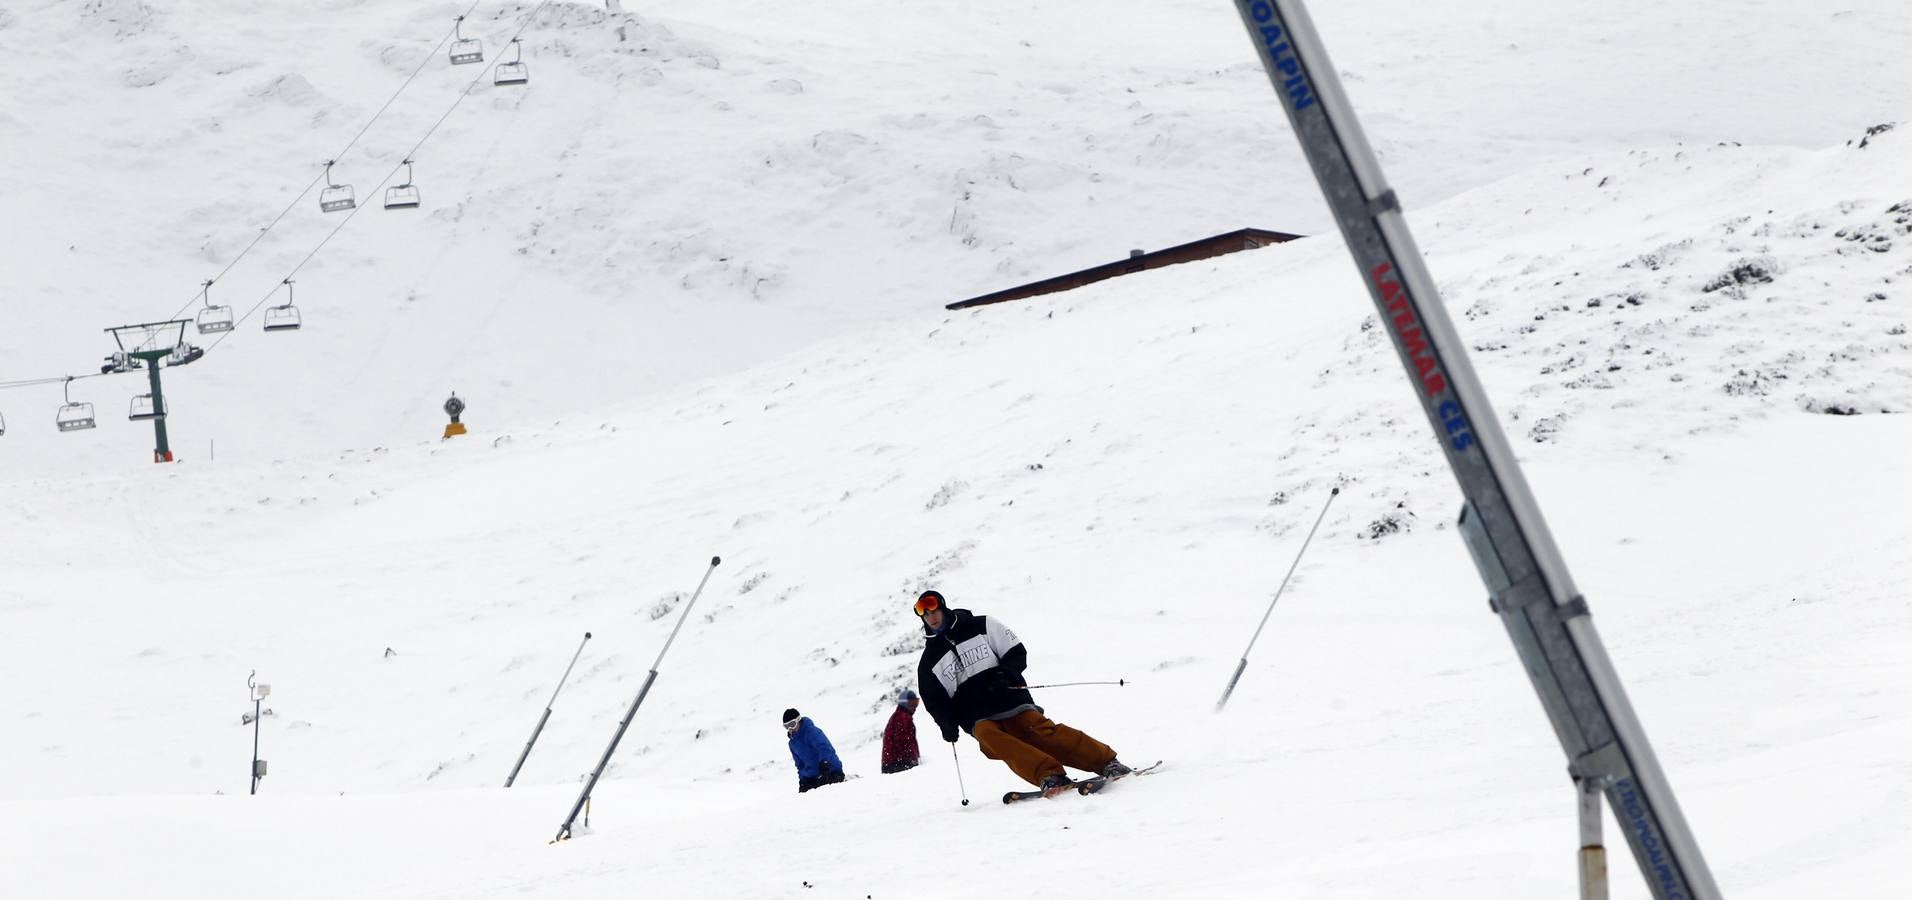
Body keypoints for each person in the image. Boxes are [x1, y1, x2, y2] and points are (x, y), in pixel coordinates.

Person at [912, 589, 1131, 798]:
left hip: (1008, 697)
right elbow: (935, 700)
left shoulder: (983, 625)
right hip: (975, 715)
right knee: (990, 738)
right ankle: (1049, 775)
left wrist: (1005, 675)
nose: (931, 617)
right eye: (925, 614)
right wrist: (946, 724)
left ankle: (1106, 762)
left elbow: (1016, 651)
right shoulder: (929, 661)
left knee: (1038, 730)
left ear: (943, 608)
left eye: (934, 610)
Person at [783, 708, 845, 793]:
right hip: (813, 778)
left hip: (830, 771)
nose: (790, 728)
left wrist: (825, 763)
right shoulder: (792, 744)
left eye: (792, 724)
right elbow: (800, 765)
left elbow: (824, 747)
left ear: (798, 720)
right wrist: (802, 780)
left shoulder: (811, 731)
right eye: (786, 726)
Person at [881, 689, 921, 774]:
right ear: (905, 704)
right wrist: (912, 759)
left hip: (892, 763)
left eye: (916, 703)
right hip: (897, 764)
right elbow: (904, 741)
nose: (915, 707)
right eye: (912, 703)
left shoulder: (899, 716)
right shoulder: (903, 717)